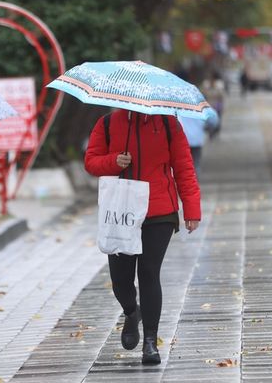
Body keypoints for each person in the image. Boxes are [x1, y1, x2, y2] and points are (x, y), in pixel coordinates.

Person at [84, 110, 201, 365]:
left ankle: (150, 341)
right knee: (120, 281)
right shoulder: (107, 123)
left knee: (149, 273)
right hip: (121, 211)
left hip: (158, 211)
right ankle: (131, 311)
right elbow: (91, 162)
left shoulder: (169, 125)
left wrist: (191, 208)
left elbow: (184, 168)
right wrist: (114, 162)